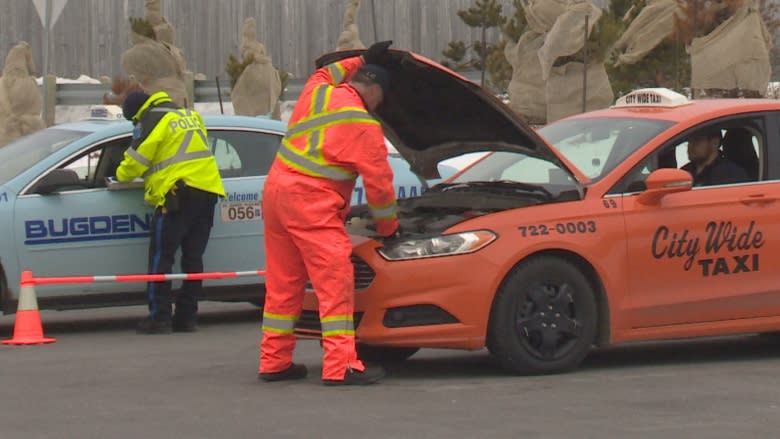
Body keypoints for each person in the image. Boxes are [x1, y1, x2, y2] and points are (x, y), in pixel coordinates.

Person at [258, 41, 400, 385]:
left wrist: (362, 57)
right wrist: (388, 228)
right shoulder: (363, 125)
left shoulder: (318, 91)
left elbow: (326, 70)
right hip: (311, 202)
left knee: (283, 284)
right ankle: (341, 366)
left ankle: (274, 361)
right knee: (335, 281)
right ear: (375, 89)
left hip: (276, 194)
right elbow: (380, 187)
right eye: (382, 96)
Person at [116, 90, 226, 334]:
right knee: (193, 259)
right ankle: (187, 317)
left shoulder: (151, 119)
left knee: (161, 258)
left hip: (178, 195)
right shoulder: (189, 115)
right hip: (207, 190)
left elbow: (134, 162)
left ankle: (160, 317)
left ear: (136, 114)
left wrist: (119, 175)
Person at [681, 127, 748, 186]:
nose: (690, 146)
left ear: (715, 142)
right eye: (689, 141)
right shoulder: (683, 172)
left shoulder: (732, 174)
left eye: (697, 140)